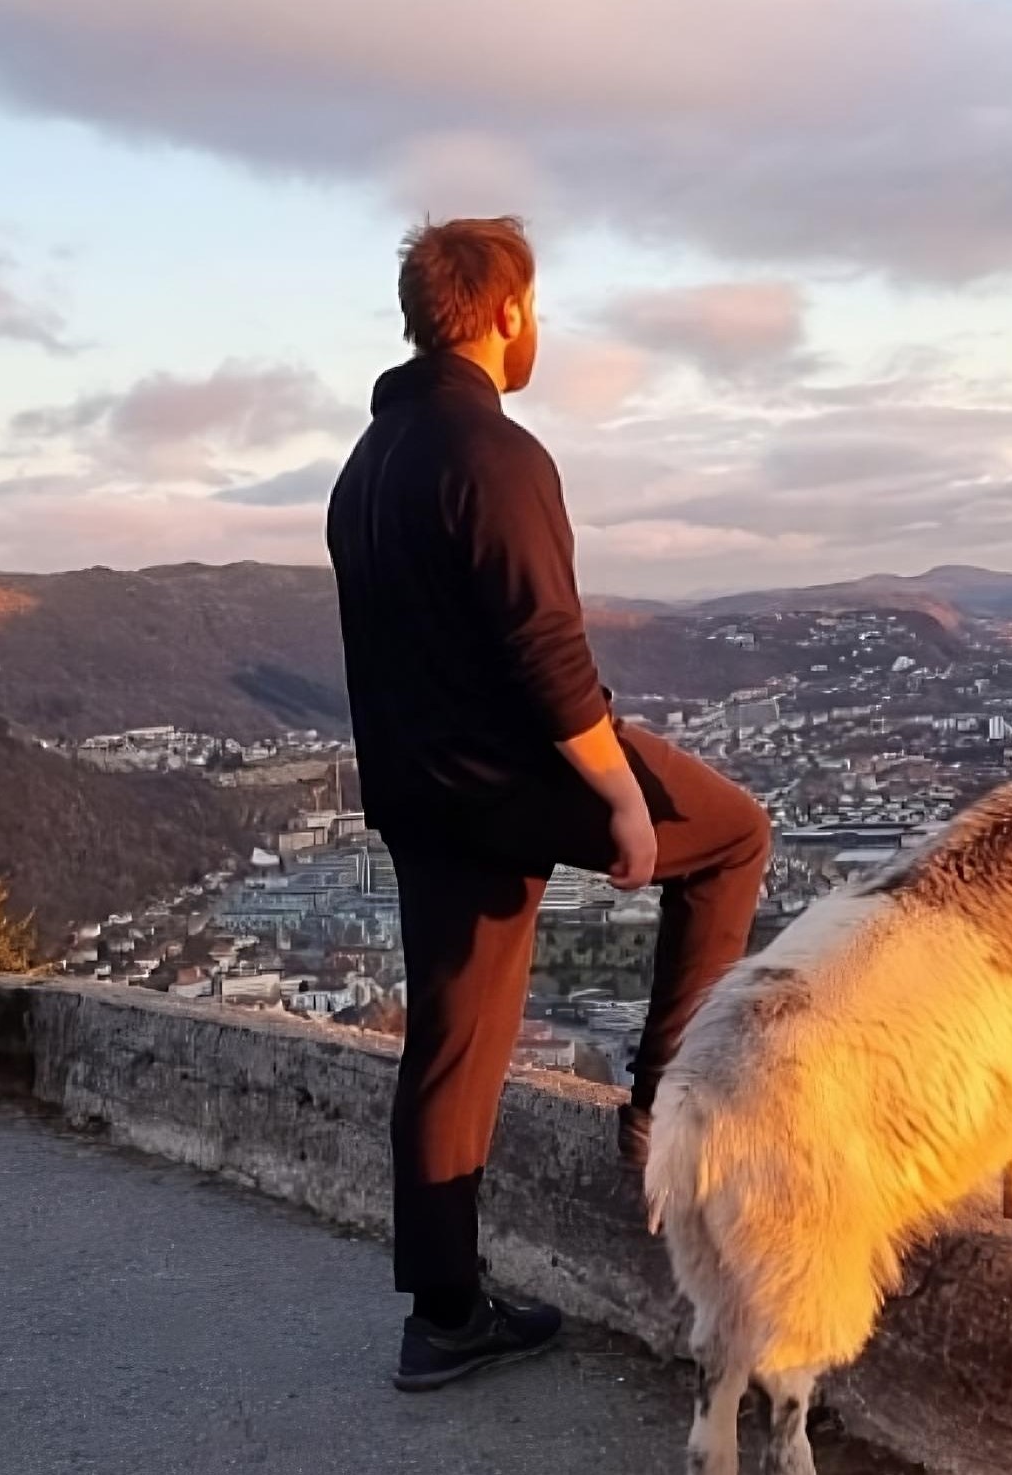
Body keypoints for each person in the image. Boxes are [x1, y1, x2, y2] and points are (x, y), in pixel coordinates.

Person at [324, 217, 773, 1393]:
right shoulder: (494, 451)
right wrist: (620, 798)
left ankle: (443, 1313)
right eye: (541, 309)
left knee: (451, 1045)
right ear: (509, 312)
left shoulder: (366, 464)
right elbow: (546, 649)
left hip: (418, 795)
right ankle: (662, 1104)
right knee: (731, 833)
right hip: (513, 779)